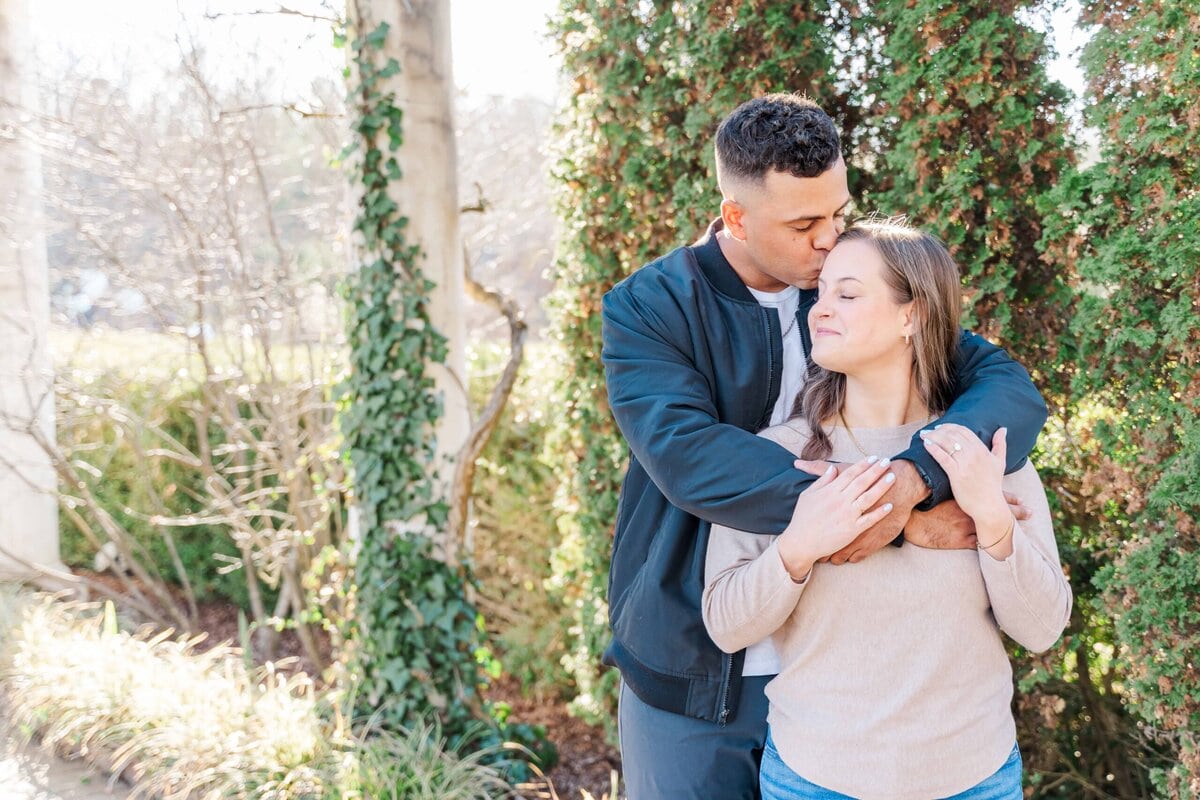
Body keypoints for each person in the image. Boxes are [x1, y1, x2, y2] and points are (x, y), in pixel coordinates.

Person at [601, 94, 1048, 799]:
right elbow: (689, 456)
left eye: (837, 213)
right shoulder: (650, 307)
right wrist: (892, 516)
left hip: (842, 685)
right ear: (736, 217)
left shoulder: (848, 289)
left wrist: (916, 475)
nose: (827, 237)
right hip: (695, 658)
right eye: (804, 223)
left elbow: (1009, 390)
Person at [702, 220, 1073, 799]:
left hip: (974, 780)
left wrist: (994, 524)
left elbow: (1043, 629)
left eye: (847, 294)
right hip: (814, 780)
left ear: (913, 315)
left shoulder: (984, 452)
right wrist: (799, 547)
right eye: (820, 292)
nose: (819, 310)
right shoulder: (779, 455)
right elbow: (725, 625)